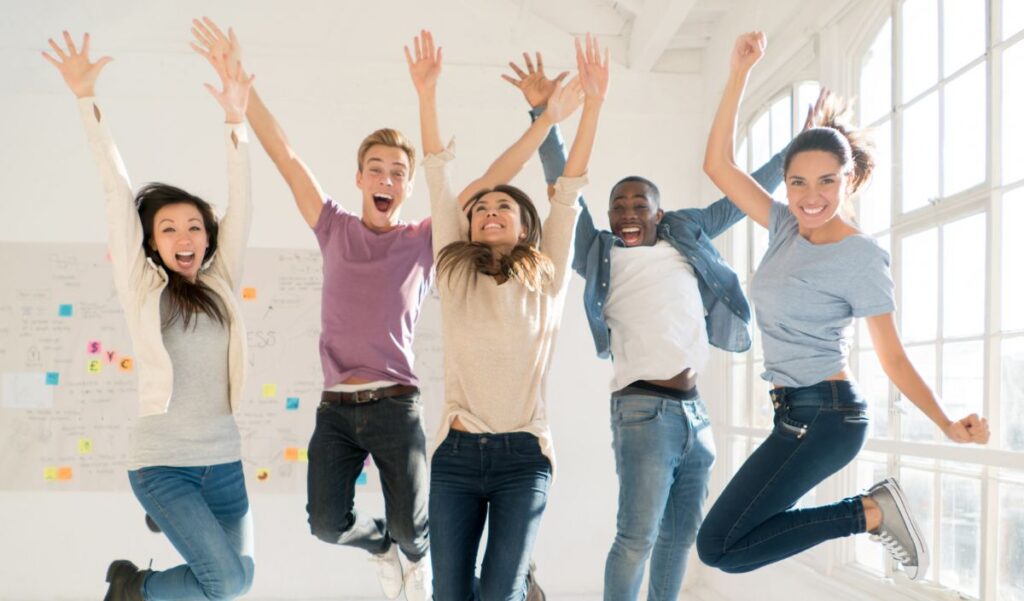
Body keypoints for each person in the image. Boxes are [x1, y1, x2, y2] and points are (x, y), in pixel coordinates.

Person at [500, 48, 812, 600]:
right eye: (618, 206)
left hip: (696, 413)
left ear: (659, 213)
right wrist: (540, 116)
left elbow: (742, 198)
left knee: (678, 538)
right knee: (637, 536)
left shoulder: (687, 234)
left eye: (637, 205)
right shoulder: (597, 251)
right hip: (643, 411)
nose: (624, 214)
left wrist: (796, 151)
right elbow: (563, 186)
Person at [695, 31, 991, 580]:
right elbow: (719, 166)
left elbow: (892, 356)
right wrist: (738, 74)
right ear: (784, 185)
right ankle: (870, 511)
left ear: (848, 178)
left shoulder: (861, 257)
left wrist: (947, 421)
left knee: (720, 547)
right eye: (798, 182)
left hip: (829, 415)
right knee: (723, 545)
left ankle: (870, 512)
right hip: (795, 413)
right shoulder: (784, 227)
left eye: (827, 181)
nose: (812, 196)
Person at [189, 18, 432, 600]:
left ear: (409, 187)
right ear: (358, 178)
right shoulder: (334, 227)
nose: (386, 178)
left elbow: (463, 184)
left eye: (398, 172)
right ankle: (381, 548)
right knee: (326, 524)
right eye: (376, 168)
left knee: (412, 527)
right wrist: (243, 94)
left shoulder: (422, 239)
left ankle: (415, 559)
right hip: (337, 409)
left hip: (398, 406)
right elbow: (285, 155)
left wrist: (429, 97)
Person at [43, 29, 257, 601]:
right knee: (226, 585)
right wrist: (87, 102)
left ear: (207, 239)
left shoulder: (220, 281)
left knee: (241, 581)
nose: (184, 237)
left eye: (194, 227)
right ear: (153, 242)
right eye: (169, 228)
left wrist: (236, 118)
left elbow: (243, 201)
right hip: (164, 463)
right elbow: (116, 193)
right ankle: (135, 588)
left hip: (225, 460)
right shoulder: (142, 286)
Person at [409, 30, 606, 600]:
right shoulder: (453, 272)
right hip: (457, 454)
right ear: (468, 227)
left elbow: (568, 190)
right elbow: (439, 176)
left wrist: (590, 106)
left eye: (505, 207)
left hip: (524, 457)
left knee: (497, 594)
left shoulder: (545, 278)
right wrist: (427, 95)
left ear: (525, 229)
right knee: (449, 593)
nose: (491, 211)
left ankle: (519, 586)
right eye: (483, 208)